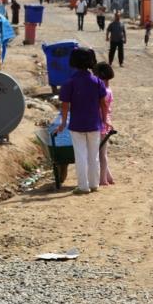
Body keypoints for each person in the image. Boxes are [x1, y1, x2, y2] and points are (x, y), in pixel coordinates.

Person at [56, 47, 107, 195]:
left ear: (73, 62)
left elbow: (65, 105)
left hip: (77, 125)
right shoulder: (97, 81)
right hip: (94, 124)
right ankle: (94, 183)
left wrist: (64, 121)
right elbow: (103, 103)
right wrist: (104, 120)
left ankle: (83, 186)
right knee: (94, 155)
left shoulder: (69, 82)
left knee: (81, 155)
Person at [93, 62, 115, 186]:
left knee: (100, 153)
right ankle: (108, 177)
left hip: (101, 122)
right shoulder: (109, 90)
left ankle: (103, 179)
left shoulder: (102, 92)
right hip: (106, 121)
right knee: (103, 152)